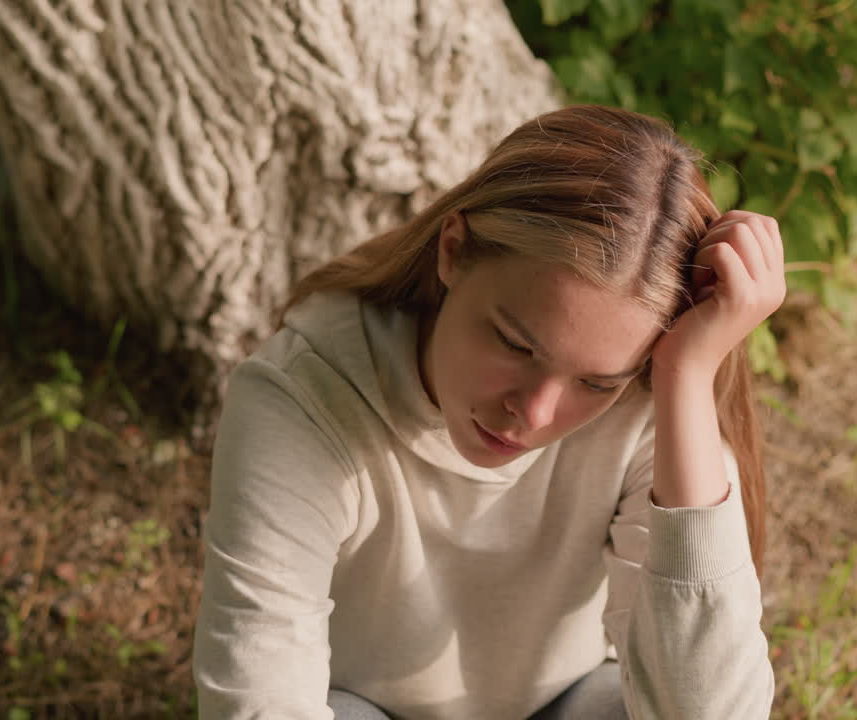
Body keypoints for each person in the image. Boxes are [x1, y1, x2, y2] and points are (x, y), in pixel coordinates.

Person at [192, 105, 782, 719]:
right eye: (515, 343)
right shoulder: (302, 399)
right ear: (453, 249)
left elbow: (712, 712)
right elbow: (261, 703)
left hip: (566, 703)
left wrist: (686, 379)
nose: (533, 411)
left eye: (594, 382)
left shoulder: (650, 400)